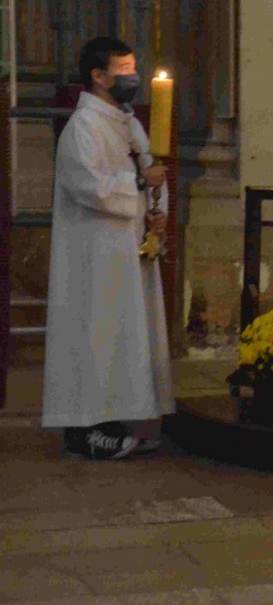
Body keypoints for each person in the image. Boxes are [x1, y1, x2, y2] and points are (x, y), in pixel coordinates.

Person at [42, 36, 172, 460]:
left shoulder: (128, 123)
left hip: (127, 247)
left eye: (134, 68)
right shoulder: (83, 127)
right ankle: (85, 430)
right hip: (93, 253)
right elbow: (88, 187)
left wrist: (157, 209)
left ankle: (123, 418)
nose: (132, 78)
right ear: (98, 77)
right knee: (96, 333)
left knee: (125, 334)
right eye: (124, 70)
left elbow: (151, 171)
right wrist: (138, 184)